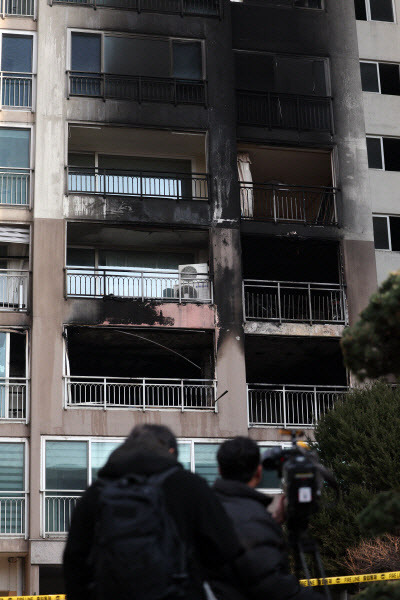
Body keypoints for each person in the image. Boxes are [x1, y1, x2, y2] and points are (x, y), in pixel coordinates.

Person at [63, 425, 261, 600]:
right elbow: (225, 549)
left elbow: (74, 563)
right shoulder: (189, 486)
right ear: (171, 451)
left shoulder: (96, 493)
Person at [210, 436, 323, 600]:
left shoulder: (208, 506)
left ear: (220, 470)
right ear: (258, 472)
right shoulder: (253, 520)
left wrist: (272, 521)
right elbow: (274, 587)